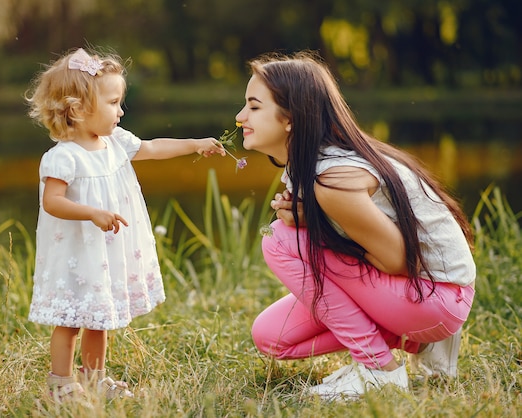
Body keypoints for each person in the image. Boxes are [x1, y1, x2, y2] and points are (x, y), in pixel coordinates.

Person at [235, 51, 476, 400]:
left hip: (437, 296)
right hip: (416, 297)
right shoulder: (316, 165)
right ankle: (413, 343)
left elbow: (395, 260)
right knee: (272, 336)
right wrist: (311, 218)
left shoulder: (333, 180)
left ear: (291, 118)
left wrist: (312, 223)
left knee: (279, 239)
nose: (241, 116)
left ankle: (379, 369)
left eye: (254, 106)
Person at [25, 47, 225, 403]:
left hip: (106, 250)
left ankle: (93, 377)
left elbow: (152, 147)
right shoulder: (63, 156)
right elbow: (52, 202)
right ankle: (61, 383)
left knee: (101, 317)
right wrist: (91, 212)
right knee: (71, 320)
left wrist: (195, 144)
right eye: (114, 103)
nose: (120, 111)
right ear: (78, 108)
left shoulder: (115, 142)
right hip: (78, 250)